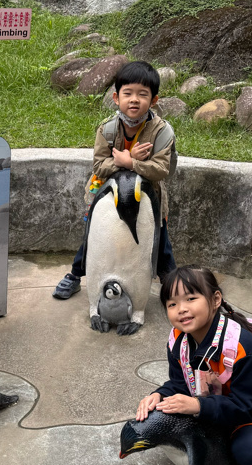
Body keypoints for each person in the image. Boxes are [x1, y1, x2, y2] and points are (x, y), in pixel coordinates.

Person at [136, 266, 252, 465]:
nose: (181, 309)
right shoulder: (178, 339)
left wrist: (197, 405)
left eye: (191, 299)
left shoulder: (240, 346)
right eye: (172, 304)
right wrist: (159, 394)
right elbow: (180, 383)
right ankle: (195, 461)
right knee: (163, 414)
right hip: (218, 403)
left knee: (247, 453)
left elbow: (247, 407)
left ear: (215, 299)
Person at [52, 60, 177, 299]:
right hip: (106, 196)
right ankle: (76, 275)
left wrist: (130, 163)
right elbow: (99, 166)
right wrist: (126, 160)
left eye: (142, 94)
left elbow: (161, 169)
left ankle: (172, 286)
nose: (134, 100)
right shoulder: (107, 129)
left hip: (150, 197)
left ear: (154, 100)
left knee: (161, 242)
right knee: (92, 237)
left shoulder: (162, 131)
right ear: (116, 97)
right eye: (127, 93)